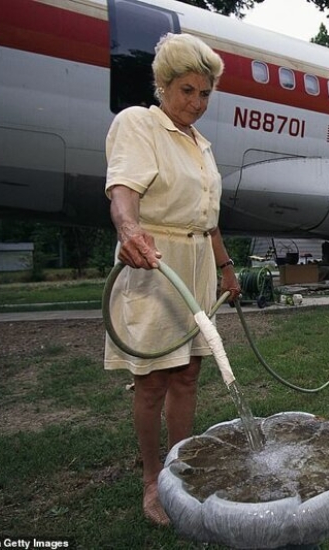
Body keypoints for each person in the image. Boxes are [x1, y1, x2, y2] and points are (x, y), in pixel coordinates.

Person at [103, 32, 241, 526]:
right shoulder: (139, 124)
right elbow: (123, 186)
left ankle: (179, 469)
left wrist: (226, 267)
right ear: (163, 84)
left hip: (198, 260)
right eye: (187, 91)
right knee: (153, 380)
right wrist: (128, 228)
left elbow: (208, 215)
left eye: (205, 94)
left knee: (187, 372)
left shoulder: (200, 144)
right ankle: (151, 479)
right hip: (154, 261)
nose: (197, 104)